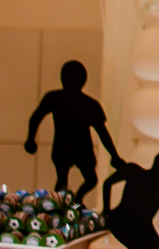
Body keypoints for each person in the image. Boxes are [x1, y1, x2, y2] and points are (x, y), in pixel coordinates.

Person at [25, 60, 122, 200]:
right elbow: (102, 133)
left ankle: (71, 203)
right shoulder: (87, 104)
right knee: (77, 180)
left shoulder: (57, 98)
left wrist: (31, 139)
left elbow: (35, 118)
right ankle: (69, 204)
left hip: (71, 146)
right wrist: (115, 156)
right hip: (75, 147)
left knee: (72, 180)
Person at [102, 152, 159, 249]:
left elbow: (146, 222)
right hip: (120, 222)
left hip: (126, 223)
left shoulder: (157, 193)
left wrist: (107, 210)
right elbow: (107, 183)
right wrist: (106, 210)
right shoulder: (135, 172)